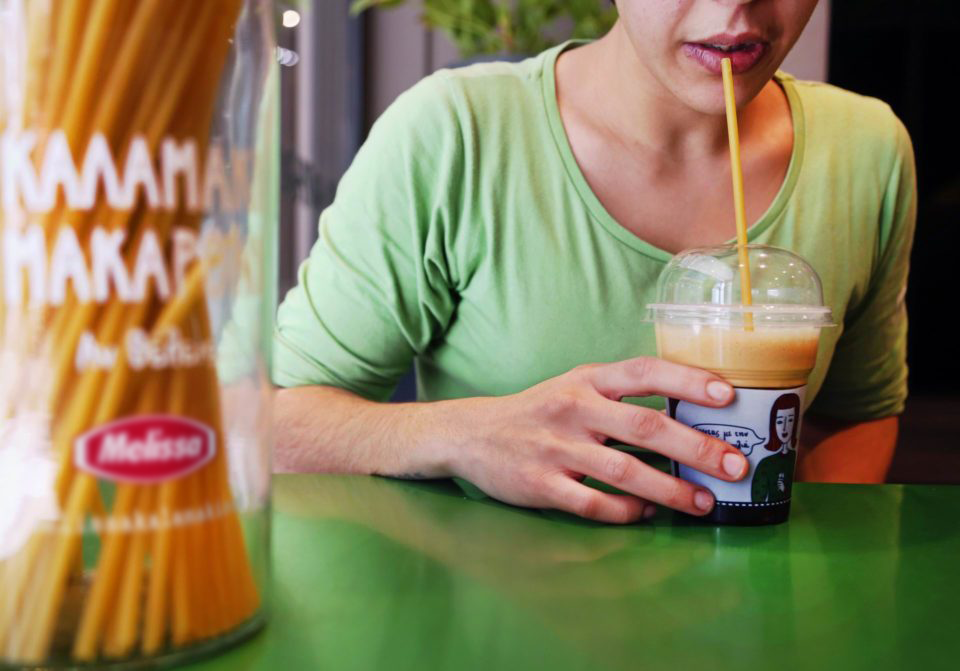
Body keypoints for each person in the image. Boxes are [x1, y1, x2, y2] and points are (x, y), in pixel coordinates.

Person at [272, 0, 916, 524]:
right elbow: (273, 423)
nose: (737, 7)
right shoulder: (455, 134)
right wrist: (464, 435)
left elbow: (855, 417)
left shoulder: (866, 150)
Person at [751, 392, 801, 503]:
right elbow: (757, 498)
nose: (784, 428)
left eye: (790, 420)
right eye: (779, 421)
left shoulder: (792, 456)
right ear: (773, 425)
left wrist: (783, 488)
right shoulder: (766, 463)